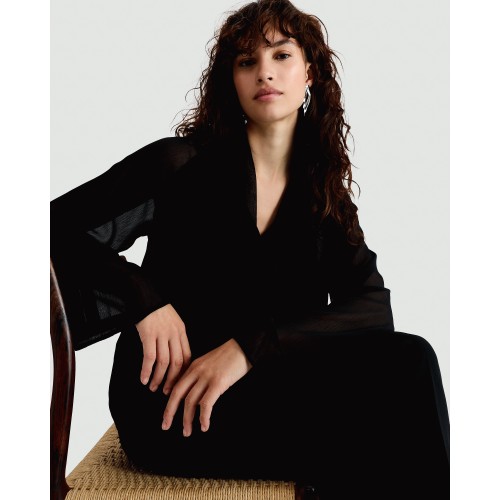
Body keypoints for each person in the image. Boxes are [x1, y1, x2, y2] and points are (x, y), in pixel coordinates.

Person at [50, 0, 450, 498]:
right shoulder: (180, 165)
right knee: (384, 432)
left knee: (412, 362)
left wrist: (248, 348)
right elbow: (49, 228)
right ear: (232, 81)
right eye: (246, 61)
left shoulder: (321, 193)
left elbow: (372, 306)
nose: (264, 72)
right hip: (171, 403)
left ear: (310, 73)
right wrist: (145, 299)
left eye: (281, 55)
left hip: (270, 385)